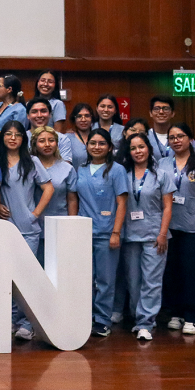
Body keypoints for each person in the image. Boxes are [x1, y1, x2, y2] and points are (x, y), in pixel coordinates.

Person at [0, 121, 53, 340]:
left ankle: (27, 323)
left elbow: (48, 188)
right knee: (6, 276)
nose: (12, 138)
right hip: (5, 228)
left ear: (23, 139)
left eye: (17, 134)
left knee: (26, 277)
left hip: (28, 228)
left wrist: (34, 213)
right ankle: (8, 319)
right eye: (8, 134)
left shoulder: (32, 161)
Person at [121, 133, 174, 341]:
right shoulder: (123, 175)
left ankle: (146, 323)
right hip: (130, 235)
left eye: (141, 147)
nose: (138, 151)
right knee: (133, 280)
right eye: (133, 148)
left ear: (148, 148)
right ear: (129, 152)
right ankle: (137, 318)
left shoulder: (161, 175)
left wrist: (162, 234)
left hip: (155, 235)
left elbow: (168, 207)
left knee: (152, 280)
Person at [76, 128, 129, 338]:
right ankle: (84, 317)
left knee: (105, 279)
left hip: (107, 232)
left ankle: (102, 320)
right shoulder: (80, 169)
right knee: (84, 278)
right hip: (82, 233)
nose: (96, 147)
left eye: (101, 143)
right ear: (87, 147)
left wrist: (116, 232)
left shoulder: (117, 170)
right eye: (93, 143)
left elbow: (122, 202)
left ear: (109, 148)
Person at [160, 123, 195, 335]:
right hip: (169, 226)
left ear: (190, 139)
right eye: (172, 137)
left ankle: (192, 316)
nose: (176, 140)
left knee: (191, 272)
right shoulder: (163, 163)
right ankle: (176, 313)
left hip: (193, 226)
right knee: (172, 271)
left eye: (180, 136)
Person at [31, 125, 78, 262]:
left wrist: (71, 224)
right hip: (33, 225)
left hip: (59, 226)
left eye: (51, 140)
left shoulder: (67, 168)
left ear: (57, 143)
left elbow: (72, 200)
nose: (47, 144)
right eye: (42, 141)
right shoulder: (28, 166)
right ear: (35, 144)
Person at [67, 103, 96, 169]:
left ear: (92, 118)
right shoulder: (67, 138)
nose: (83, 120)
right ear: (74, 119)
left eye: (87, 116)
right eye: (79, 116)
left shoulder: (99, 137)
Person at [147, 95, 176, 161]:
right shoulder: (145, 136)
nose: (161, 112)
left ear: (173, 113)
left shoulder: (183, 136)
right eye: (156, 109)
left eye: (165, 109)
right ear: (150, 113)